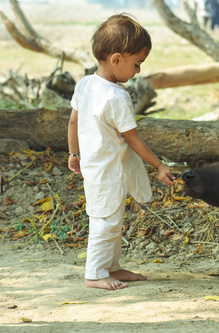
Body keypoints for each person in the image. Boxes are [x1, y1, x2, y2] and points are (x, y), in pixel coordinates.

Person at [67, 13, 176, 291]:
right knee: (106, 221)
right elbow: (133, 139)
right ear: (117, 59)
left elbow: (73, 122)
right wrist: (159, 166)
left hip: (95, 166)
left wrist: (74, 154)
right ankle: (94, 273)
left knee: (112, 218)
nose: (138, 71)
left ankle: (111, 267)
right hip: (108, 171)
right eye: (137, 64)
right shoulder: (117, 97)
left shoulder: (85, 84)